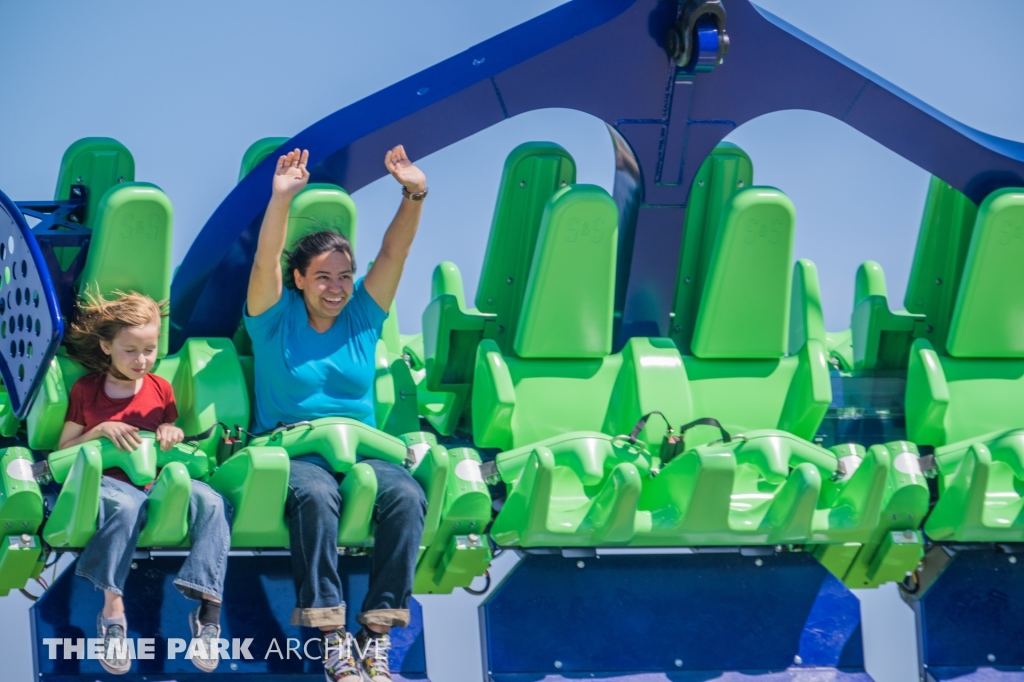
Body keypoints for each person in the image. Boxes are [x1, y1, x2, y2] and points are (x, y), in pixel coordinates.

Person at [244, 147, 428, 682]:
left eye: (345, 276)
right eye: (324, 277)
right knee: (316, 495)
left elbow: (394, 255)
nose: (338, 287)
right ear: (299, 279)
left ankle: (377, 636)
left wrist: (414, 193)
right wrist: (282, 198)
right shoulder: (272, 321)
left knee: (405, 495)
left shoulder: (362, 320)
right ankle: (331, 637)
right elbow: (264, 259)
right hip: (295, 450)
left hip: (360, 449)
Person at [58, 293, 233, 675]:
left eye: (150, 350)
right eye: (131, 351)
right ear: (107, 347)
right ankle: (113, 614)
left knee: (213, 502)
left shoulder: (160, 389)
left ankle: (208, 613)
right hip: (110, 483)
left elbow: (169, 432)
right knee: (125, 507)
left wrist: (172, 430)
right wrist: (100, 430)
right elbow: (64, 449)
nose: (141, 360)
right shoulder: (86, 390)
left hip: (158, 481)